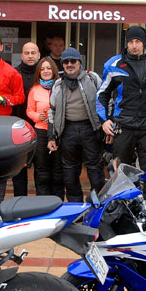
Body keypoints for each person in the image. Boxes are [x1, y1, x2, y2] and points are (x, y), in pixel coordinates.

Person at [97, 26, 146, 203]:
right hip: (123, 125)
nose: (134, 45)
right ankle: (121, 207)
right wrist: (104, 120)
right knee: (121, 171)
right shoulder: (114, 64)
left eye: (138, 41)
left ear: (145, 43)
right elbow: (101, 94)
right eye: (130, 41)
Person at [49, 48, 105, 202]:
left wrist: (105, 126)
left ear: (80, 62)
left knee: (95, 169)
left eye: (73, 61)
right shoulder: (58, 84)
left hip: (90, 128)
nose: (69, 64)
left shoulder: (93, 78)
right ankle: (76, 206)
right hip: (68, 130)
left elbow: (105, 102)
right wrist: (51, 136)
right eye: (66, 62)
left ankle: (98, 204)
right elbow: (52, 111)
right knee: (69, 172)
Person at [27, 57, 64, 197]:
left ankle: (57, 200)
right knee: (42, 169)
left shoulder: (61, 87)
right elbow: (29, 110)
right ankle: (42, 201)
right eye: (42, 69)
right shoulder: (34, 90)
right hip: (41, 132)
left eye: (48, 68)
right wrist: (38, 116)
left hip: (58, 132)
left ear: (54, 70)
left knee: (58, 170)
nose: (46, 71)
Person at [11, 41, 41, 196]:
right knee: (19, 168)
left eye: (33, 53)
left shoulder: (44, 74)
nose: (30, 56)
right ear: (21, 55)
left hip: (40, 128)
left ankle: (39, 203)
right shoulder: (14, 74)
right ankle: (19, 202)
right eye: (27, 53)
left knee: (40, 168)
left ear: (39, 55)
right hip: (19, 127)